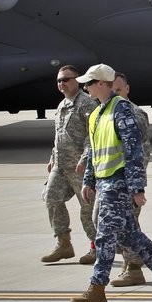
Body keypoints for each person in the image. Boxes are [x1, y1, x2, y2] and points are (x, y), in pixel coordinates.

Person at [69, 64, 152, 302]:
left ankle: (97, 288)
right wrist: (89, 180)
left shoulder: (122, 111)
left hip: (118, 183)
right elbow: (93, 151)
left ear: (101, 84)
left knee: (105, 236)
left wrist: (137, 187)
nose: (84, 87)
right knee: (128, 234)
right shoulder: (97, 114)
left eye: (88, 83)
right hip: (104, 181)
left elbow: (134, 151)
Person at [41, 65, 98, 264]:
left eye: (66, 79)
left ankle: (96, 247)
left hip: (80, 167)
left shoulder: (87, 104)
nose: (61, 83)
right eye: (58, 80)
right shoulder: (62, 105)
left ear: (78, 80)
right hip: (61, 165)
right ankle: (63, 243)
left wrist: (85, 158)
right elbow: (59, 135)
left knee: (88, 209)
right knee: (51, 198)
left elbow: (92, 136)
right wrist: (52, 157)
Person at [106, 72, 151, 287]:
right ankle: (131, 262)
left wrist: (135, 186)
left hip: (128, 183)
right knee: (108, 224)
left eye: (118, 90)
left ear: (127, 89)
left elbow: (141, 153)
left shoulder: (135, 114)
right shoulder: (104, 113)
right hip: (109, 182)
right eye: (111, 89)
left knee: (126, 225)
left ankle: (135, 269)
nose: (114, 94)